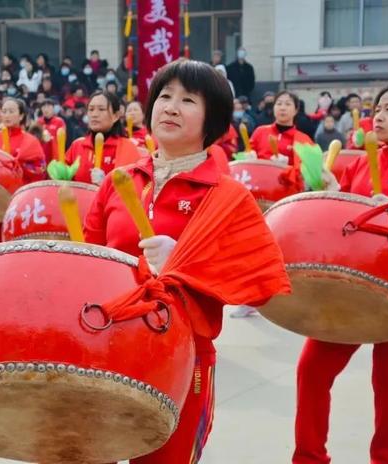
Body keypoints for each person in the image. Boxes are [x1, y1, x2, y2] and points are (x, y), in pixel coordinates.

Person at [84, 59, 289, 464]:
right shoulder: (117, 181)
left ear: (212, 119)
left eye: (188, 100)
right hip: (108, 348)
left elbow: (260, 280)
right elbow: (88, 262)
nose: (171, 107)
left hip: (183, 356)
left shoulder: (228, 197)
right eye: (165, 96)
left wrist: (184, 257)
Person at [293, 84, 388, 464]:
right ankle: (309, 457)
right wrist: (333, 192)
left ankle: (386, 459)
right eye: (377, 108)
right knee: (311, 370)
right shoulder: (361, 162)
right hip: (353, 288)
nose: (379, 115)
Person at [0, 97, 46, 244]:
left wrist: (20, 166)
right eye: (4, 111)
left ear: (21, 116)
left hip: (18, 200)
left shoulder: (30, 140)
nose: (6, 115)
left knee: (16, 241)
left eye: (11, 111)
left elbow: (40, 168)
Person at [65, 91, 140, 185]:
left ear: (116, 116)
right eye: (91, 109)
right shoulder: (77, 145)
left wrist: (106, 183)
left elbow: (133, 188)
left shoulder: (127, 147)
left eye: (101, 109)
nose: (94, 114)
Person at [249, 90, 314, 165]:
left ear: (296, 110)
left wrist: (289, 162)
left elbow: (308, 169)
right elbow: (247, 151)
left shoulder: (303, 140)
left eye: (288, 104)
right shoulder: (260, 131)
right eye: (279, 104)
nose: (282, 108)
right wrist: (247, 157)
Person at [36, 99, 66, 163]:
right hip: (42, 155)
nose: (46, 109)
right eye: (44, 107)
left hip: (55, 156)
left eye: (48, 106)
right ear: (41, 109)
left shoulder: (59, 121)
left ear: (53, 108)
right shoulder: (38, 122)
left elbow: (62, 138)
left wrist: (51, 138)